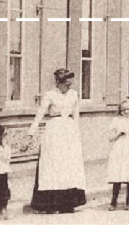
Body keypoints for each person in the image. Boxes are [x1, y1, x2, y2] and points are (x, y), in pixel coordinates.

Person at [27, 68, 87, 214]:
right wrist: (30, 133)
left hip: (69, 131)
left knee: (68, 165)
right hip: (54, 131)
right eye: (66, 84)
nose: (69, 87)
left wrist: (77, 133)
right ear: (58, 83)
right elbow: (40, 113)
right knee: (53, 165)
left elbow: (76, 114)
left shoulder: (73, 94)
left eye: (70, 84)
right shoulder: (50, 95)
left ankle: (68, 202)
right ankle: (50, 203)